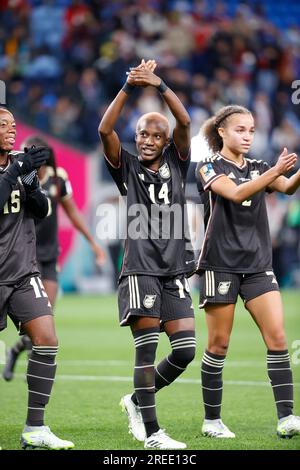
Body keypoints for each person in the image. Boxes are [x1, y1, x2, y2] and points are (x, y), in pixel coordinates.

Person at [98, 60, 196, 450]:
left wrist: (159, 83)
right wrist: (129, 87)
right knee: (147, 352)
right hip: (140, 270)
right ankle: (153, 434)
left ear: (166, 141)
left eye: (157, 135)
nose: (148, 140)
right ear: (135, 138)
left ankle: (136, 401)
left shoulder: (178, 160)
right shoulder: (126, 167)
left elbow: (185, 122)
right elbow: (105, 129)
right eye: (142, 134)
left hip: (174, 270)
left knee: (186, 350)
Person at [196, 104, 300, 439]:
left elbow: (287, 188)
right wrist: (276, 172)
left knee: (278, 338)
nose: (248, 136)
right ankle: (212, 420)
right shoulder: (209, 165)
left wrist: (289, 172)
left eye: (252, 130)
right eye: (241, 129)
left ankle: (286, 417)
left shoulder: (258, 166)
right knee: (219, 345)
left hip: (258, 265)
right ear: (222, 132)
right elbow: (237, 192)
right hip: (220, 263)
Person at [0, 107, 74, 449]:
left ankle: (35, 427)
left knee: (47, 339)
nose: (11, 130)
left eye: (13, 125)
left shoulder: (19, 164)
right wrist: (16, 170)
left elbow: (42, 212)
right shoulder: (13, 165)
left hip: (23, 271)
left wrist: (30, 182)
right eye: (3, 125)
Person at [2, 135, 105, 381]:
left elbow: (72, 212)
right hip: (21, 254)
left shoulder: (59, 178)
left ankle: (18, 350)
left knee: (44, 318)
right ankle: (30, 361)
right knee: (37, 326)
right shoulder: (16, 175)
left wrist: (93, 243)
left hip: (47, 257)